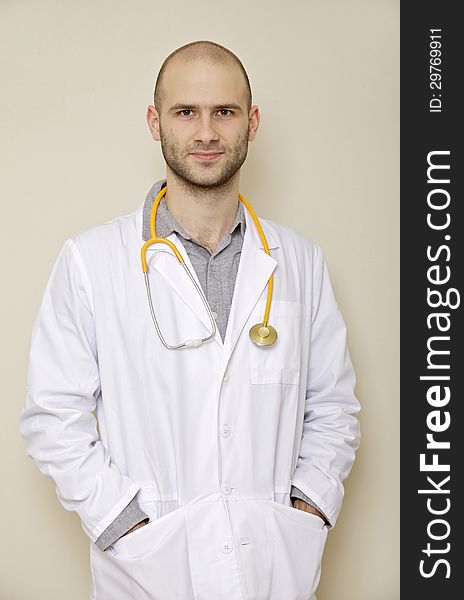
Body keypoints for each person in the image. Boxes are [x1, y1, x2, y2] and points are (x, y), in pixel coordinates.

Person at [20, 40, 361, 600]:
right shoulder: (92, 259)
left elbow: (334, 407)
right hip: (148, 571)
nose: (206, 133)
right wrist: (123, 523)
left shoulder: (299, 260)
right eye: (186, 112)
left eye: (224, 112)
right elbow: (53, 417)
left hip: (274, 566)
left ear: (251, 122)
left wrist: (308, 509)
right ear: (156, 122)